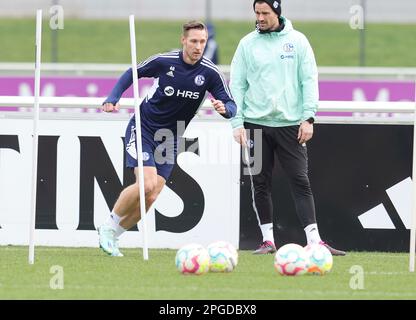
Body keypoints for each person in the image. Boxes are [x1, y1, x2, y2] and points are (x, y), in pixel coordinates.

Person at [98, 20, 236, 257]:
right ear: (183, 40)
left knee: (152, 196)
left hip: (170, 139)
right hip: (144, 128)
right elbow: (133, 72)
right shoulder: (165, 62)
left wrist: (225, 109)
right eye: (193, 41)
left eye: (202, 41)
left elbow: (232, 105)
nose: (198, 46)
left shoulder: (210, 73)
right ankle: (108, 226)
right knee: (147, 184)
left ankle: (113, 235)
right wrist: (113, 97)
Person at [230, 0, 346, 255]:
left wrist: (309, 118)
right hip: (254, 126)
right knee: (259, 183)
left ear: (277, 12)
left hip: (291, 126)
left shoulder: (298, 41)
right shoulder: (247, 44)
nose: (259, 17)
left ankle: (314, 241)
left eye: (265, 13)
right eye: (257, 13)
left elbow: (309, 80)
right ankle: (268, 241)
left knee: (299, 181)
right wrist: (236, 122)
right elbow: (236, 85)